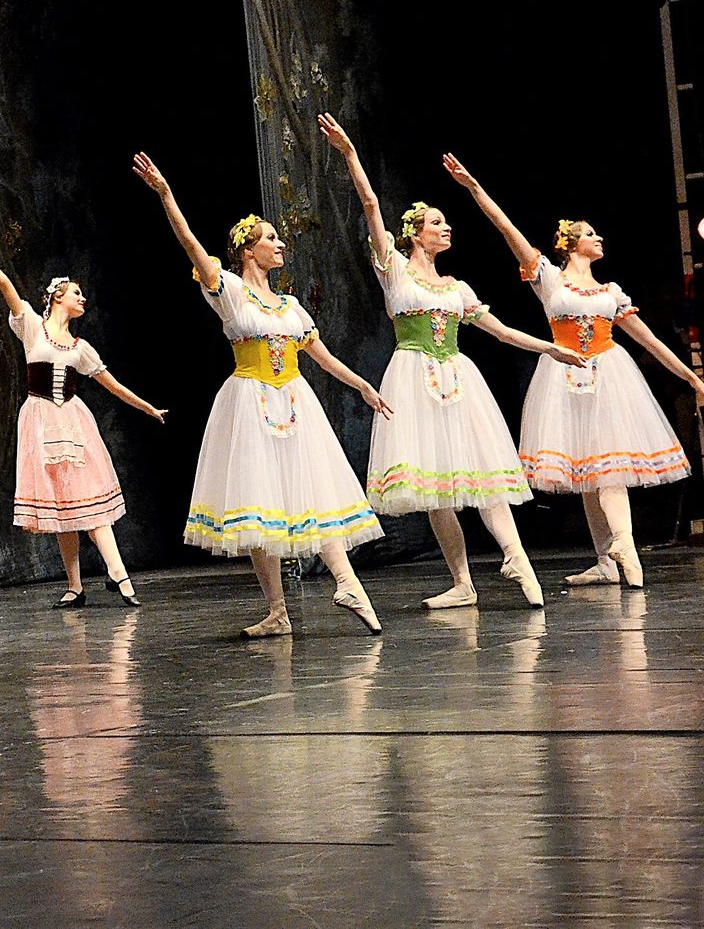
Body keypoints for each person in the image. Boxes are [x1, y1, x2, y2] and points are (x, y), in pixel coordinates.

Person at [320, 114, 589, 609]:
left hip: (458, 377)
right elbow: (370, 204)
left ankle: (516, 558)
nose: (446, 229)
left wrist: (549, 347)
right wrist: (350, 155)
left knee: (484, 475)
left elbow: (501, 330)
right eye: (437, 223)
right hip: (413, 376)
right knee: (437, 489)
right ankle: (463, 581)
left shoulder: (457, 287)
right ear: (416, 235)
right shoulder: (396, 273)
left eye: (446, 222)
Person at [133, 151, 388, 637]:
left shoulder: (290, 306)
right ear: (248, 250)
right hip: (249, 400)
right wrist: (167, 195)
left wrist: (361, 386)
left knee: (314, 490)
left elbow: (321, 355)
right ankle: (277, 611)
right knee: (258, 501)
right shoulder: (228, 289)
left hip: (293, 400)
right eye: (270, 237)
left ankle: (348, 583)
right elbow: (191, 247)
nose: (280, 243)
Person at [445, 153, 703, 587]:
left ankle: (623, 545)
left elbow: (650, 340)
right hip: (564, 377)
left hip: (611, 378)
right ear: (570, 243)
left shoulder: (611, 291)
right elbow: (508, 229)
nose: (598, 238)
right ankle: (608, 559)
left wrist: (693, 378)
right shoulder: (549, 278)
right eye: (590, 234)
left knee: (608, 468)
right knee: (586, 472)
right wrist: (474, 188)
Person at [0, 235, 165, 608]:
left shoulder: (81, 348)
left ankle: (118, 573)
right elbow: (4, 283)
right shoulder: (32, 326)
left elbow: (111, 385)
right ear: (58, 296)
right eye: (76, 293)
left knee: (88, 503)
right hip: (40, 420)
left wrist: (147, 408)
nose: (83, 299)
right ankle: (75, 585)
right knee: (64, 508)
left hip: (74, 423)